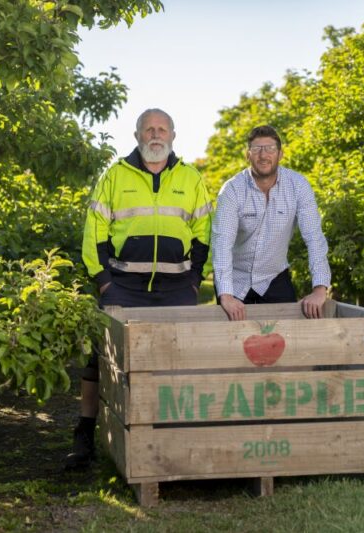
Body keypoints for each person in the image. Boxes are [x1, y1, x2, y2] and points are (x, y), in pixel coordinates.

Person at [65, 108, 212, 469]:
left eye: (162, 129)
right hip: (123, 288)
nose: (155, 135)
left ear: (173, 136)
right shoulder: (115, 176)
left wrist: (194, 281)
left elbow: (205, 234)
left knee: (176, 362)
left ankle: (171, 434)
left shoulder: (191, 178)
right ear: (137, 136)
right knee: (101, 360)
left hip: (177, 289)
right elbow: (94, 231)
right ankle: (85, 433)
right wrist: (103, 282)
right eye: (149, 129)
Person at [211, 125, 331, 321]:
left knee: (287, 341)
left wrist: (320, 289)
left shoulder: (298, 186)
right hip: (235, 280)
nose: (263, 155)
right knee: (233, 345)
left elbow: (314, 238)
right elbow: (222, 243)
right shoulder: (231, 190)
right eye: (257, 149)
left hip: (274, 277)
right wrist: (225, 295)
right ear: (248, 155)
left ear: (280, 154)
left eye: (270, 149)